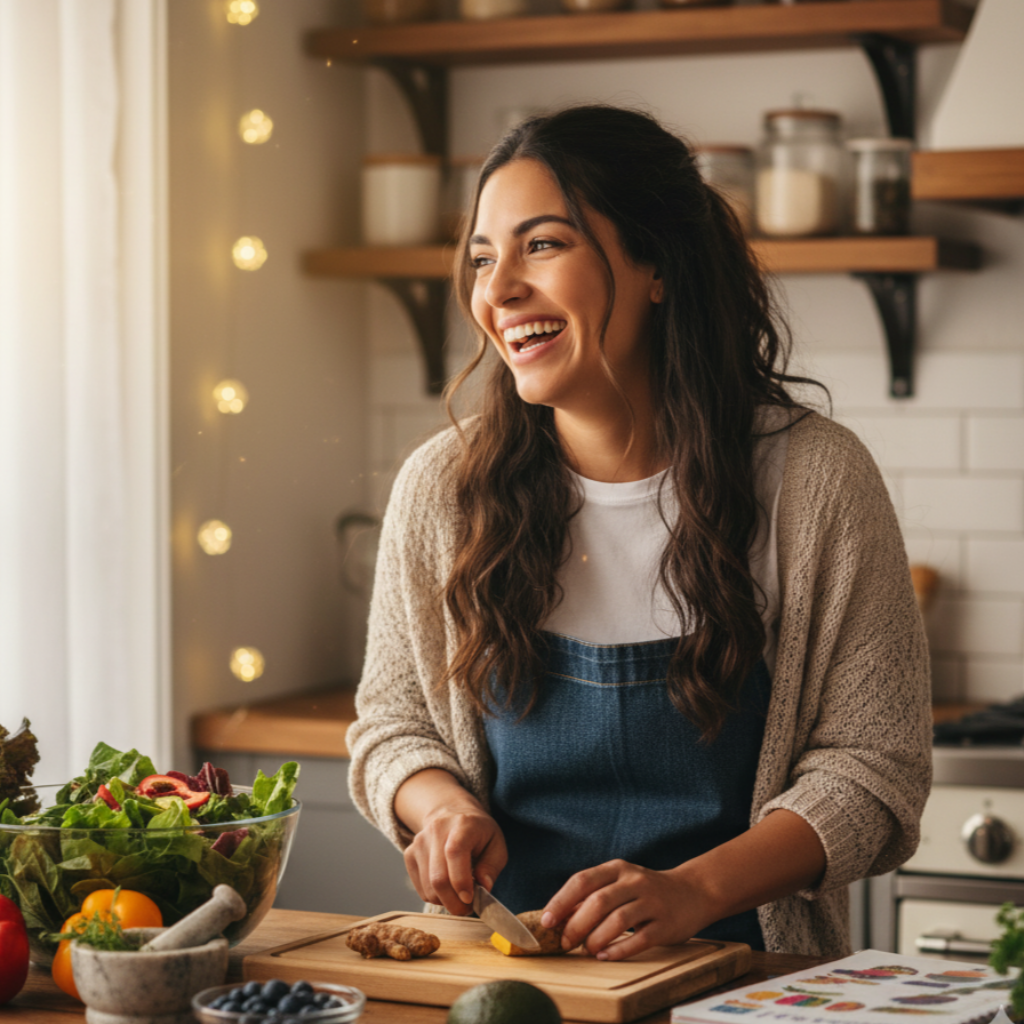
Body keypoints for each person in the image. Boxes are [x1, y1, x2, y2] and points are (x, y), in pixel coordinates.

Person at [346, 105, 932, 961]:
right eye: (482, 257)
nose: (498, 289)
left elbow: (876, 775)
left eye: (542, 245)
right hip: (504, 994)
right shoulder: (444, 489)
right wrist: (439, 806)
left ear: (656, 264)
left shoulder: (813, 483)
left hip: (746, 986)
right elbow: (391, 725)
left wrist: (696, 890)